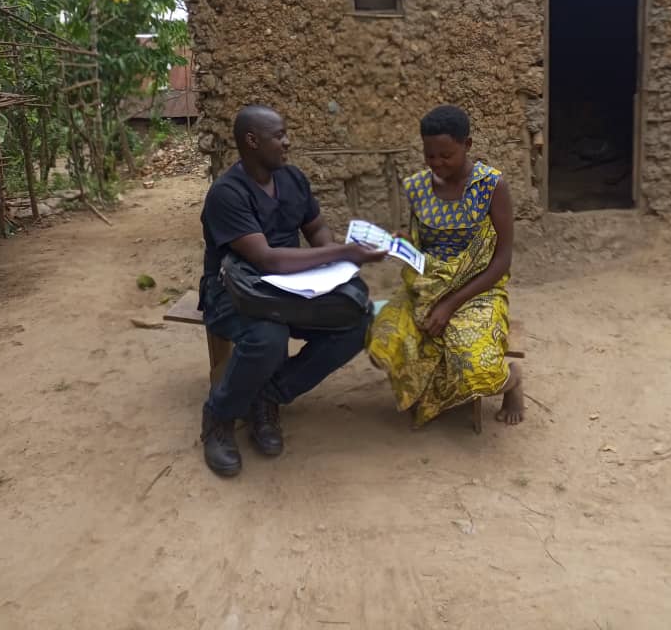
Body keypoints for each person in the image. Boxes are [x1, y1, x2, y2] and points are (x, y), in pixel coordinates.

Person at [199, 104, 386, 477]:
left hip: (287, 290)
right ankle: (218, 418)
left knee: (357, 319)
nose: (288, 142)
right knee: (269, 336)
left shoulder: (292, 179)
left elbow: (316, 229)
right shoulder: (227, 194)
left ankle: (268, 396)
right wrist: (345, 252)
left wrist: (331, 264)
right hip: (234, 292)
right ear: (252, 142)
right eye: (279, 135)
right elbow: (266, 260)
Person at [368, 105, 524, 428]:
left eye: (446, 155)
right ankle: (429, 391)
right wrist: (402, 244)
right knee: (382, 339)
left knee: (475, 364)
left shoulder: (491, 187)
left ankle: (512, 382)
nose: (437, 164)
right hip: (427, 286)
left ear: (467, 145)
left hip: (478, 289)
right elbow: (422, 248)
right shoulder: (419, 187)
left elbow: (502, 259)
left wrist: (450, 305)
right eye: (430, 156)